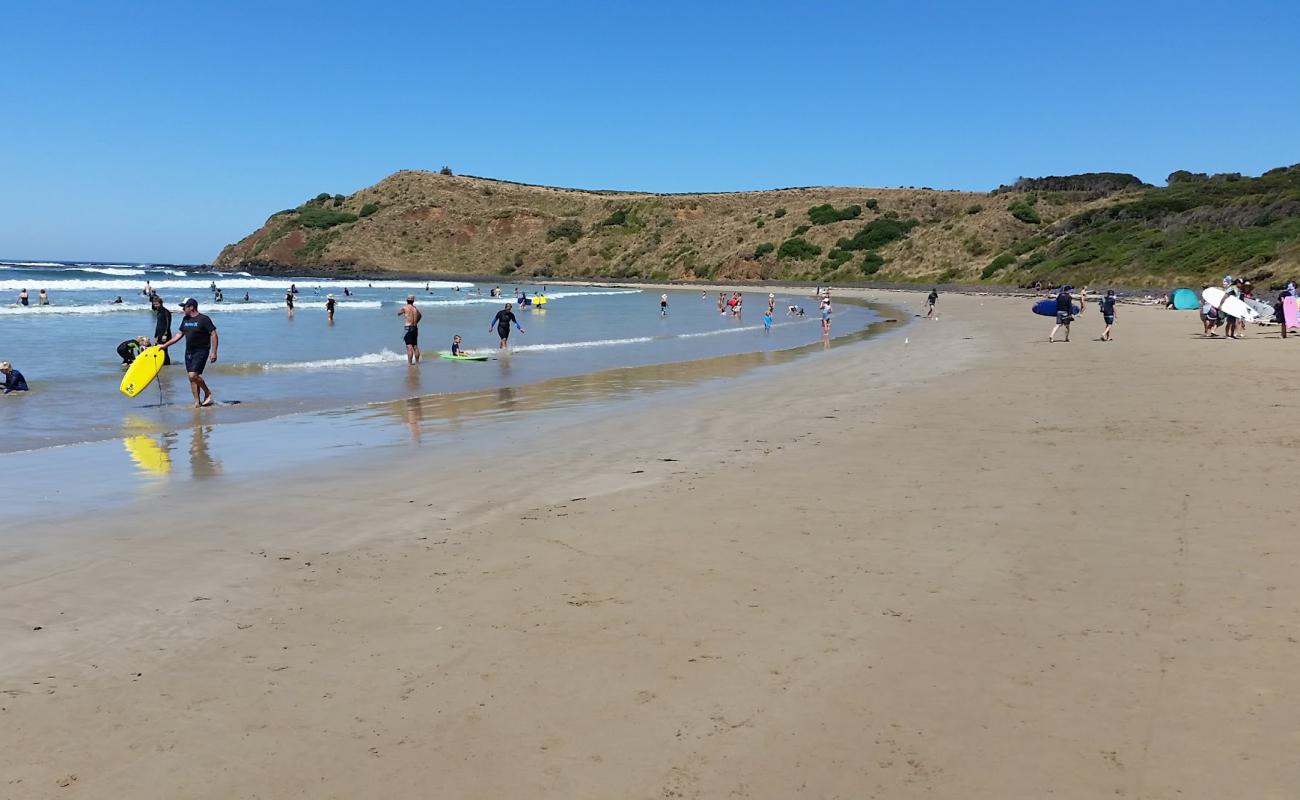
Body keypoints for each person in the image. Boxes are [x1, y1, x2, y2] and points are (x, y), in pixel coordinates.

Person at [160, 298, 218, 408]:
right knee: (191, 378)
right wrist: (165, 345)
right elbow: (178, 335)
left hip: (201, 351)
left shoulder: (204, 319)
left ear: (191, 307)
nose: (182, 309)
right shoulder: (185, 319)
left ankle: (207, 392)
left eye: (184, 307)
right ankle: (197, 402)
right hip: (189, 352)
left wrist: (214, 352)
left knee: (193, 375)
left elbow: (214, 334)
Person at [398, 294, 422, 364]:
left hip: (408, 328)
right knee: (415, 346)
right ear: (413, 301)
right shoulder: (415, 308)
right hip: (415, 328)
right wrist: (416, 322)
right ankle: (417, 362)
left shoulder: (405, 307)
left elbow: (399, 313)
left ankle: (410, 363)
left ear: (406, 300)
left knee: (409, 347)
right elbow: (420, 316)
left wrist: (401, 313)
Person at [151, 294, 173, 365]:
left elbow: (168, 324)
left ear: (161, 303)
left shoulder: (166, 312)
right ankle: (163, 363)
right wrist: (156, 336)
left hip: (165, 334)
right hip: (159, 334)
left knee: (164, 350)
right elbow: (158, 325)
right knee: (160, 350)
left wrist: (165, 334)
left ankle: (167, 364)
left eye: (157, 304)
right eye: (154, 304)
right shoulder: (159, 312)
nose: (155, 306)